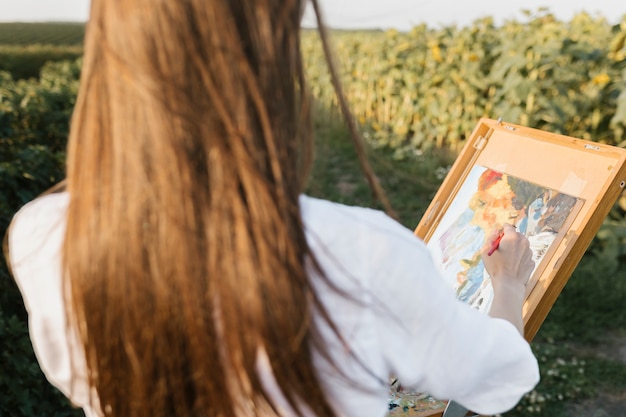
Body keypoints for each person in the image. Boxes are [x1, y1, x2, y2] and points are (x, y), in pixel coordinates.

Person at [5, 1, 539, 417]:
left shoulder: (42, 233)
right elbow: (496, 379)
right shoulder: (360, 253)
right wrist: (510, 284)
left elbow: (76, 378)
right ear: (270, 55)